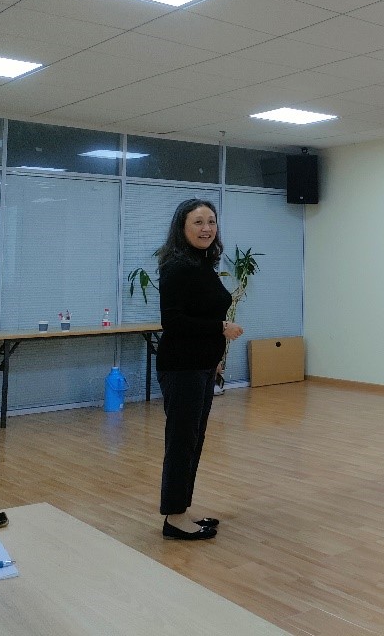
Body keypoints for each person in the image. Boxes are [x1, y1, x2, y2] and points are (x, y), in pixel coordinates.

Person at [156, 198, 243, 540]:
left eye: (211, 221)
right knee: (182, 442)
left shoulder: (201, 263)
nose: (207, 228)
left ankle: (182, 509)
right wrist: (220, 328)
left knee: (193, 440)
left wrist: (215, 360)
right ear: (182, 227)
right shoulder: (177, 266)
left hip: (202, 366)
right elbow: (173, 321)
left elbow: (201, 311)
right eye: (198, 222)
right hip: (182, 367)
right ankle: (174, 518)